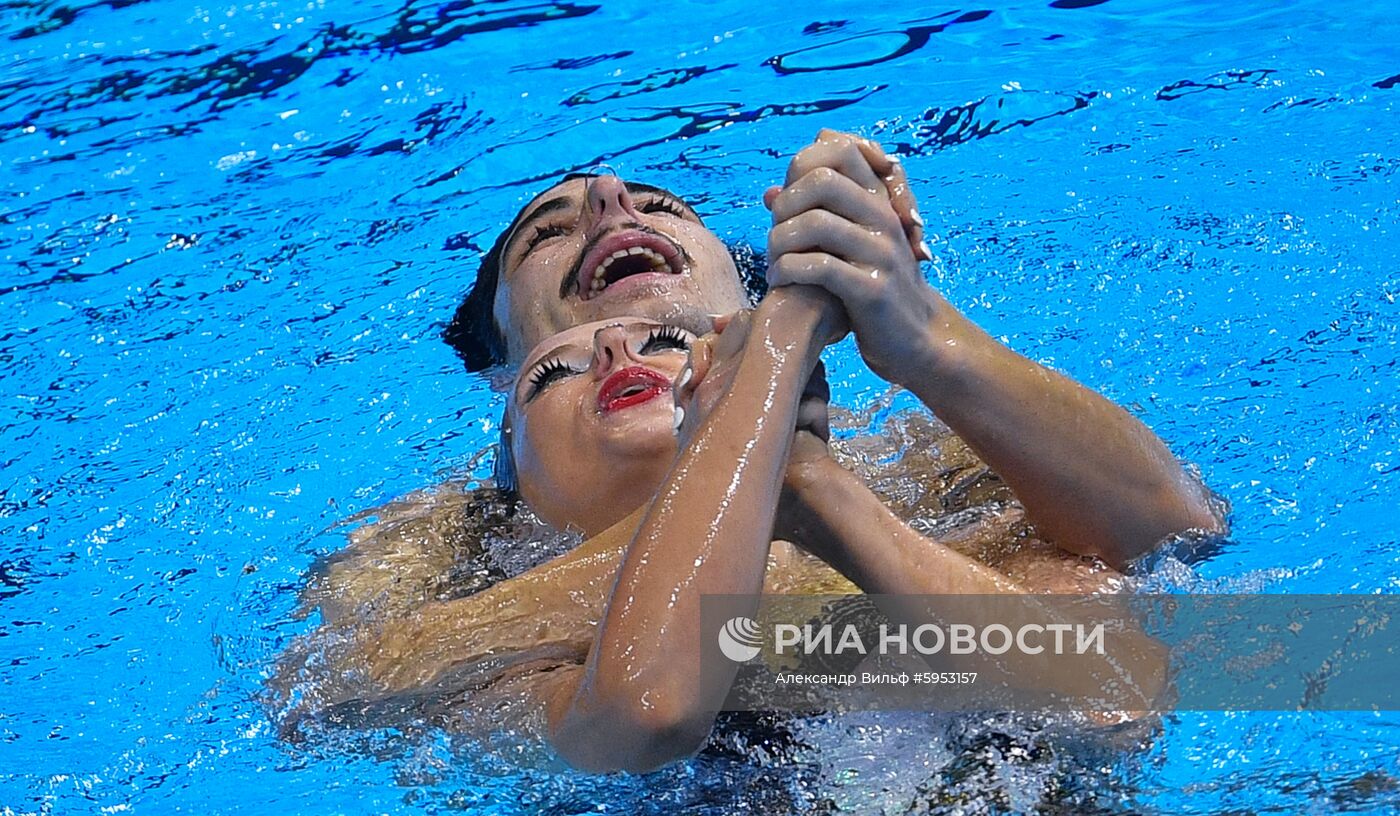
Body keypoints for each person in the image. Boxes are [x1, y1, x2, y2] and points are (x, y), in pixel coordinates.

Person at [274, 129, 1225, 771]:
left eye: (659, 203)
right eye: (548, 235)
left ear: (740, 282)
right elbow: (338, 688)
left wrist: (919, 332)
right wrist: (775, 404)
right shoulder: (445, 540)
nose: (610, 199)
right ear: (502, 403)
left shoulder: (929, 461)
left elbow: (1165, 565)